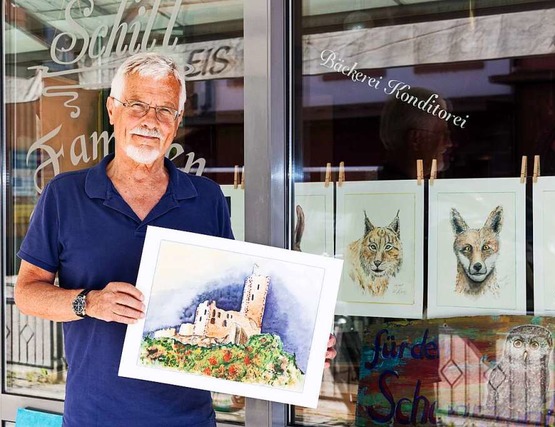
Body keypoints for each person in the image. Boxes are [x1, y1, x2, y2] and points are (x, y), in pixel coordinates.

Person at [14, 52, 336, 426]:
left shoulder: (206, 198)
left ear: (177, 122)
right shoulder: (64, 194)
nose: (151, 121)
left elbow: (235, 292)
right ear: (112, 110)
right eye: (137, 105)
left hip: (188, 419)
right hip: (94, 416)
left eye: (165, 110)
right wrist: (90, 302)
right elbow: (26, 293)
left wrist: (306, 346)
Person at [378, 86, 453, 180]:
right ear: (416, 139)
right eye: (443, 135)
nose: (449, 143)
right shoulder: (402, 191)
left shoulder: (394, 187)